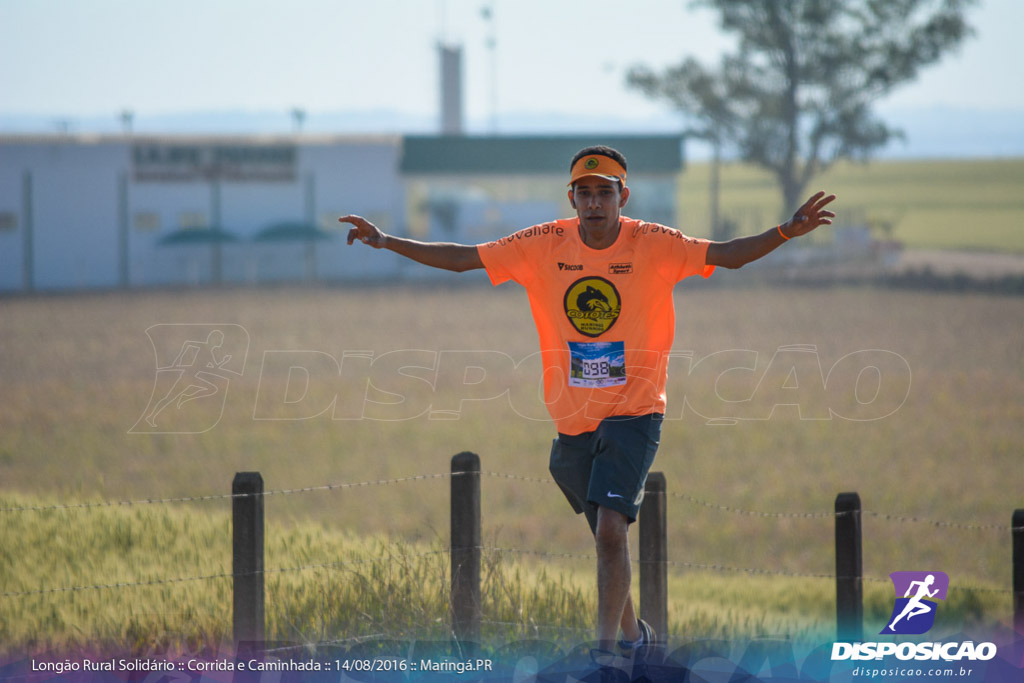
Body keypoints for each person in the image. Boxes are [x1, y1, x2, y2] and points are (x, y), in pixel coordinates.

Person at [340, 145, 835, 658]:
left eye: (605, 192)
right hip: (571, 416)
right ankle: (635, 641)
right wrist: (386, 241)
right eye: (585, 193)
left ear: (624, 195)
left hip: (636, 410)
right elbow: (464, 259)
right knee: (607, 540)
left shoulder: (654, 242)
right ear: (571, 198)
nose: (595, 203)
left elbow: (727, 255)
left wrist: (784, 231)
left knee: (608, 533)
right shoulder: (542, 243)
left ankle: (605, 656)